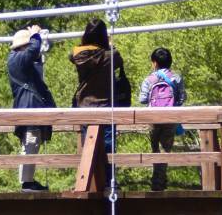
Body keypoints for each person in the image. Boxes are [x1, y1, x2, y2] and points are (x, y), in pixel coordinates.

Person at [71, 18, 130, 183]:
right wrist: (110, 45)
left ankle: (90, 181)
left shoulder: (78, 55)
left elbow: (72, 55)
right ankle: (109, 181)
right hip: (106, 106)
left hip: (84, 107)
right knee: (108, 146)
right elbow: (118, 58)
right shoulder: (110, 56)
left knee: (87, 147)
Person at [7, 24, 56, 191]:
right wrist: (35, 36)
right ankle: (26, 182)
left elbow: (34, 55)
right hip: (29, 107)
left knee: (31, 144)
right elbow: (34, 50)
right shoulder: (18, 58)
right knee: (31, 142)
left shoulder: (16, 60)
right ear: (24, 46)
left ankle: (27, 181)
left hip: (27, 105)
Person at [138, 46, 185, 192]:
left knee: (154, 149)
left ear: (155, 63)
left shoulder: (149, 79)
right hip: (170, 118)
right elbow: (182, 98)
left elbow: (142, 99)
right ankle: (160, 182)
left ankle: (157, 181)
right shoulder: (176, 78)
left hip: (153, 119)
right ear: (170, 62)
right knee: (166, 149)